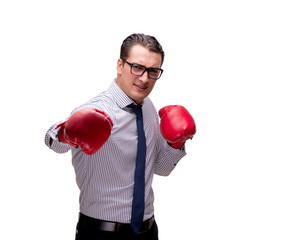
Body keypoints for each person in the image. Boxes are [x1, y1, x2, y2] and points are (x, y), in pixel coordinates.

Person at [45, 33, 196, 240]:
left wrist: (175, 143)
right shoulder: (97, 110)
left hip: (148, 231)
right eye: (137, 67)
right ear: (120, 65)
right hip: (102, 233)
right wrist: (65, 133)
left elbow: (160, 168)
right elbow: (52, 141)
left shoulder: (149, 108)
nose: (144, 78)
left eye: (153, 71)